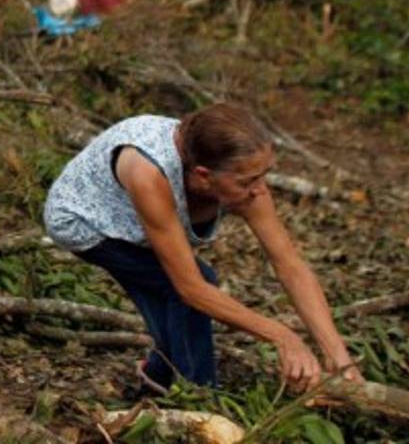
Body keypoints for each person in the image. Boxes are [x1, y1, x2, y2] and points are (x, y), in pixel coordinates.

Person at [43, 102, 362, 393]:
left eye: (264, 175)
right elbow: (190, 288)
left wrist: (336, 353)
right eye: (248, 181)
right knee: (196, 285)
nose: (260, 190)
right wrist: (282, 336)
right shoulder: (147, 172)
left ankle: (157, 381)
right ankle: (200, 397)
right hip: (84, 220)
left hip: (139, 220)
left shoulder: (239, 177)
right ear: (203, 176)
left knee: (176, 309)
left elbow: (289, 265)